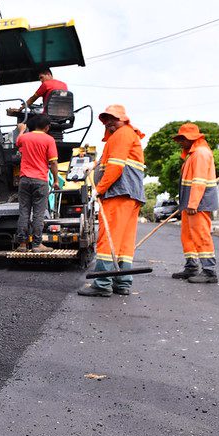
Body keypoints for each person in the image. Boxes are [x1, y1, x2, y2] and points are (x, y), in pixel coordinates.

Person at [78, 105, 145, 297]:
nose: (109, 122)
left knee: (108, 239)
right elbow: (111, 160)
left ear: (123, 119)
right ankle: (122, 282)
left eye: (113, 118)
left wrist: (98, 190)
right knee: (123, 241)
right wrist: (95, 164)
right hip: (131, 194)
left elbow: (115, 167)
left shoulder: (121, 134)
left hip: (118, 193)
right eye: (106, 119)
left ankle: (102, 282)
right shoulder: (127, 135)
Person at [170, 123, 219, 284]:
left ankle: (209, 271)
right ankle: (191, 266)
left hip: (199, 203)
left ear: (192, 138)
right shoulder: (193, 154)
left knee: (201, 235)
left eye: (182, 139)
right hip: (190, 203)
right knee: (188, 236)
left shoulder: (200, 153)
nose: (180, 142)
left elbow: (199, 181)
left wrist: (192, 203)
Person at [14, 114, 60, 252]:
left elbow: (18, 142)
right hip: (40, 180)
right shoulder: (49, 139)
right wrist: (56, 180)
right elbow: (53, 162)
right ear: (47, 127)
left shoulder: (25, 138)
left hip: (24, 180)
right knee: (38, 214)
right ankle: (37, 245)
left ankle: (22, 244)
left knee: (24, 212)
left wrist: (22, 129)